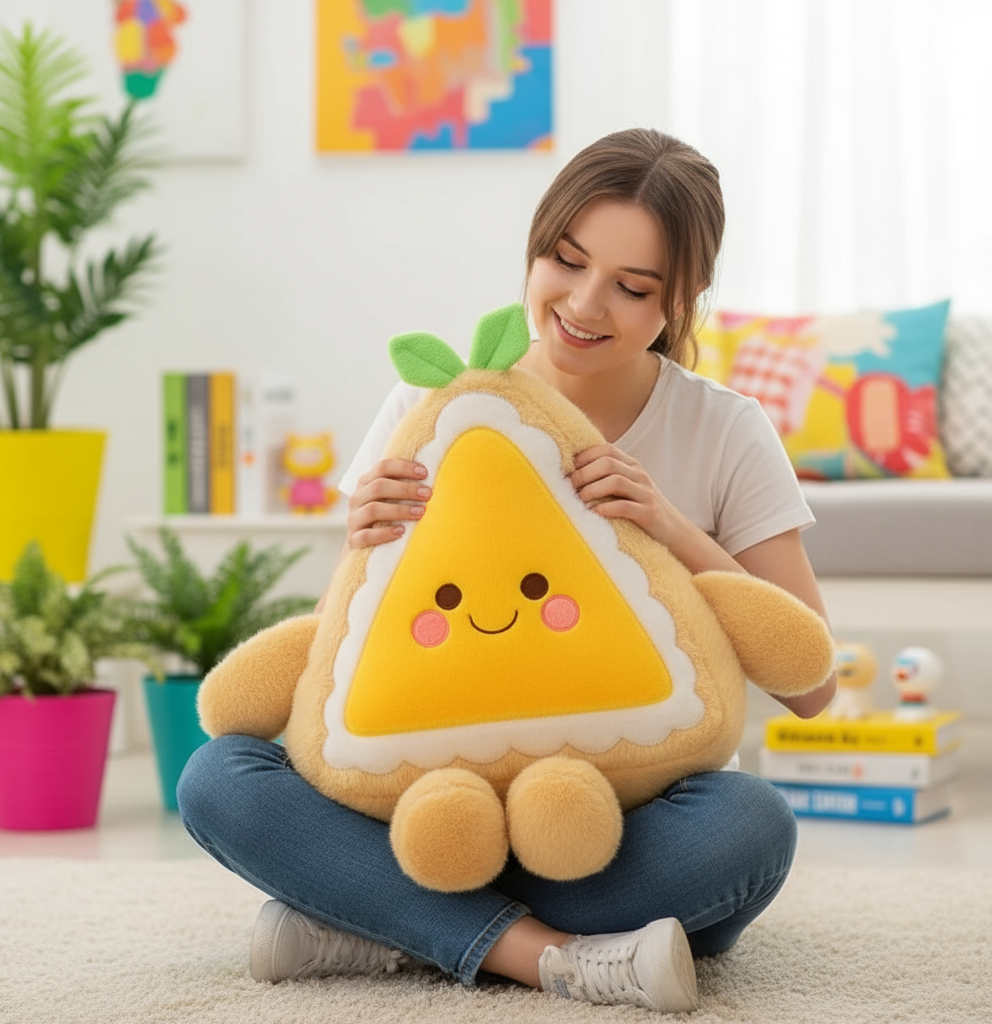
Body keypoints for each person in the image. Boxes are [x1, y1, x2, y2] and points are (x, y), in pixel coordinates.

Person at [177, 127, 836, 1015]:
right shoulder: (437, 408)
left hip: (613, 814)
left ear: (681, 301)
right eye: (565, 261)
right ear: (535, 244)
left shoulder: (724, 429)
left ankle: (384, 923)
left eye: (632, 287)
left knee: (750, 829)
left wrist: (667, 523)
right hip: (426, 805)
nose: (584, 304)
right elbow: (361, 668)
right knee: (220, 777)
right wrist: (361, 545)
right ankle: (552, 953)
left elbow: (815, 690)